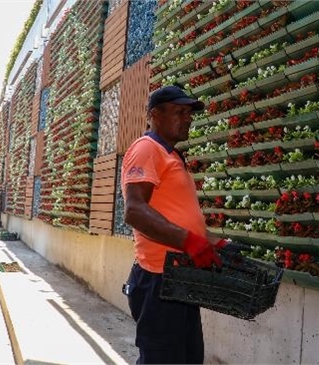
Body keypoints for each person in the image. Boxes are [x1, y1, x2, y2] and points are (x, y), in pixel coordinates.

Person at [121, 85, 227, 364]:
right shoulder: (147, 148)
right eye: (180, 112)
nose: (188, 118)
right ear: (155, 114)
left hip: (179, 278)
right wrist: (188, 241)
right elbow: (134, 210)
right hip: (158, 281)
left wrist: (215, 242)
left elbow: (181, 216)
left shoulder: (171, 156)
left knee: (188, 358)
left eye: (189, 113)